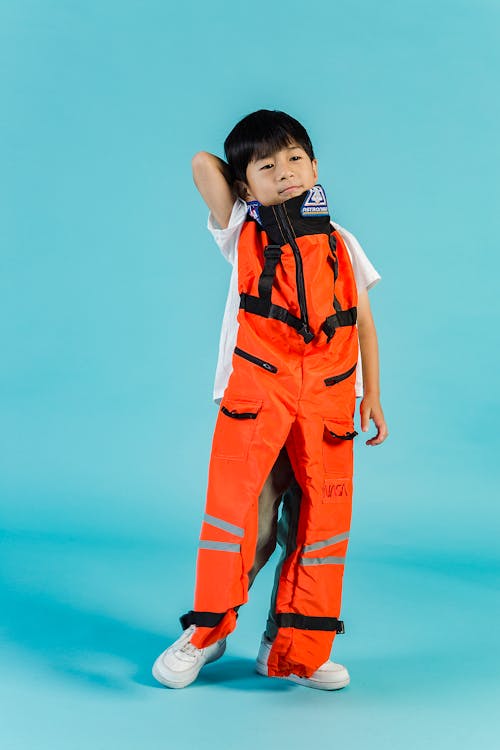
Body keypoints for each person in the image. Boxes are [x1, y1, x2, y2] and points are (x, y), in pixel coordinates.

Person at [153, 110, 388, 691]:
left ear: (315, 166)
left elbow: (362, 322)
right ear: (245, 185)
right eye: (268, 166)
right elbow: (201, 166)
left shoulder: (341, 241)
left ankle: (290, 649)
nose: (285, 173)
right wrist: (245, 194)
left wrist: (373, 395)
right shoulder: (241, 230)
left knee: (314, 522)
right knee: (250, 524)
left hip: (328, 399)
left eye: (295, 160)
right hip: (260, 395)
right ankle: (206, 633)